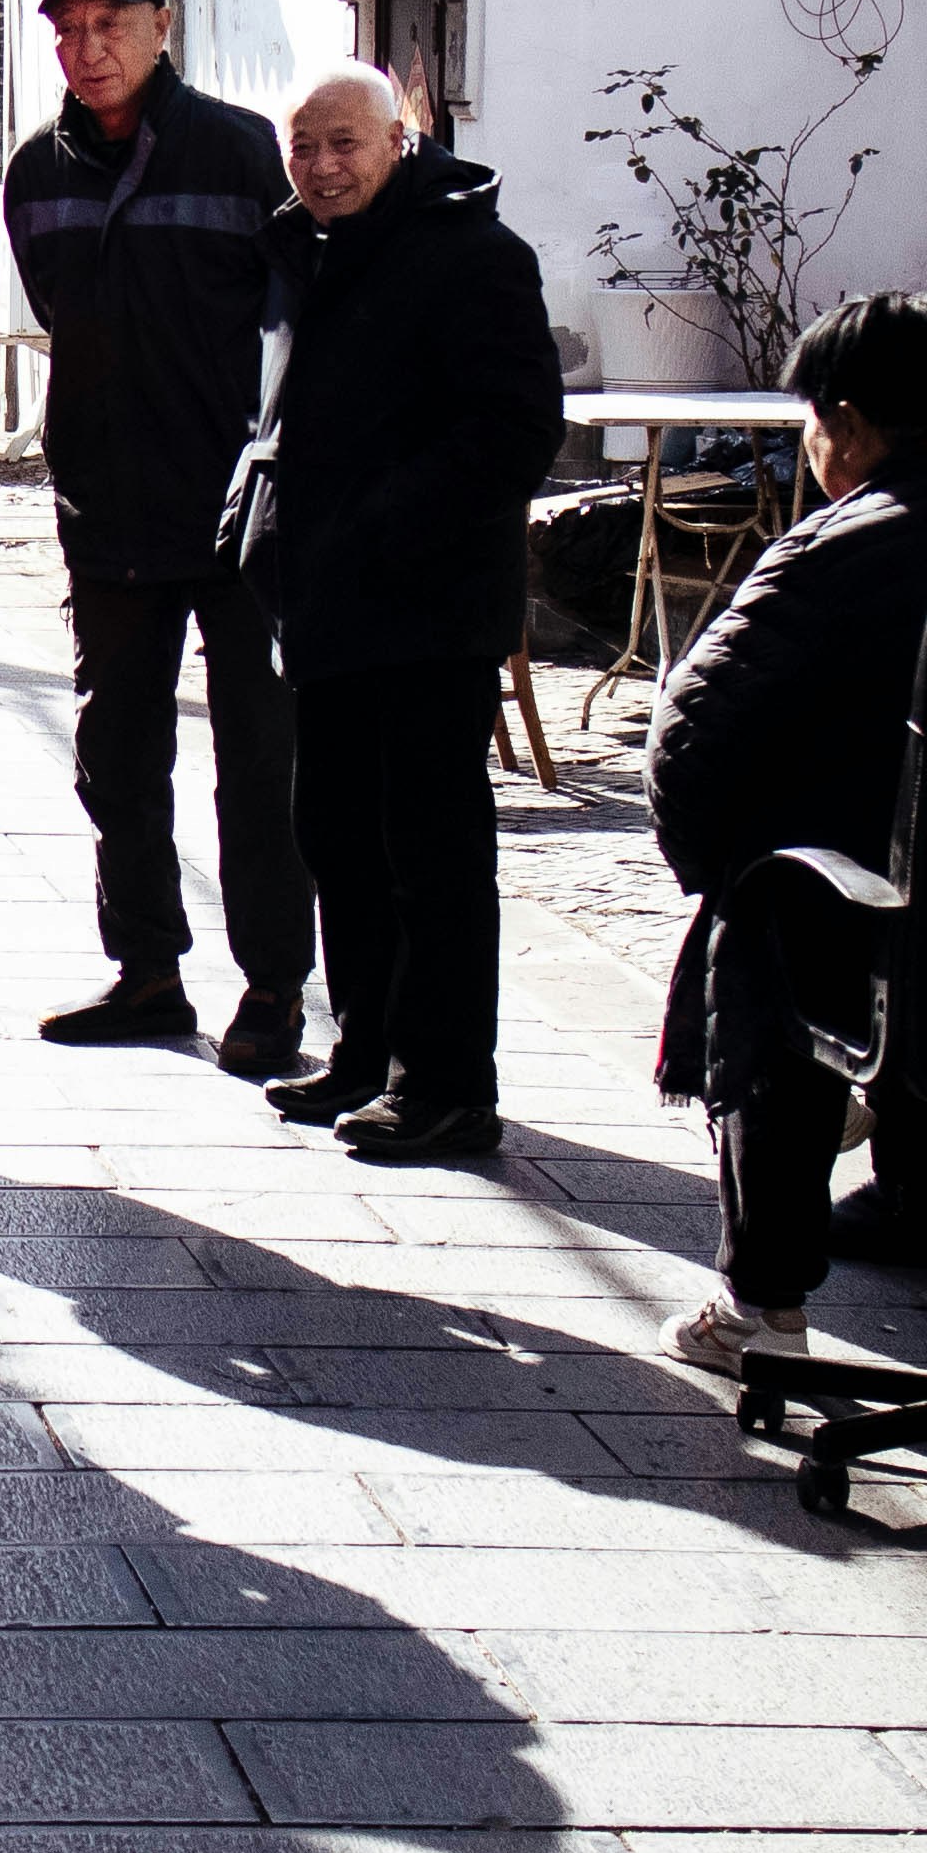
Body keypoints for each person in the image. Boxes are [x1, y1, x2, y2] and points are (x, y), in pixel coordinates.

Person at [643, 292, 927, 1370]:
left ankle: (762, 1310)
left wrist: (714, 870)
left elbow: (690, 736)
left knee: (770, 912)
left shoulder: (829, 549)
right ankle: (917, 1196)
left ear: (848, 425)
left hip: (865, 924)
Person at [237, 66, 569, 1164]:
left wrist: (382, 523)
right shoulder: (304, 246)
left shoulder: (473, 254)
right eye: (305, 149)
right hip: (328, 599)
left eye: (345, 145)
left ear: (399, 140)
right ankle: (366, 1050)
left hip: (428, 606)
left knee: (430, 850)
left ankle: (446, 1085)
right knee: (334, 831)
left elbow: (513, 432)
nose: (324, 168)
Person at [0, 0, 313, 1068]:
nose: (87, 50)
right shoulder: (37, 171)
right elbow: (67, 322)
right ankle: (146, 971)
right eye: (68, 32)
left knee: (260, 762)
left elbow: (291, 324)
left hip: (236, 513)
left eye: (109, 26)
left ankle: (274, 988)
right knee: (117, 754)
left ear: (160, 25)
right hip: (110, 506)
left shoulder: (241, 154)